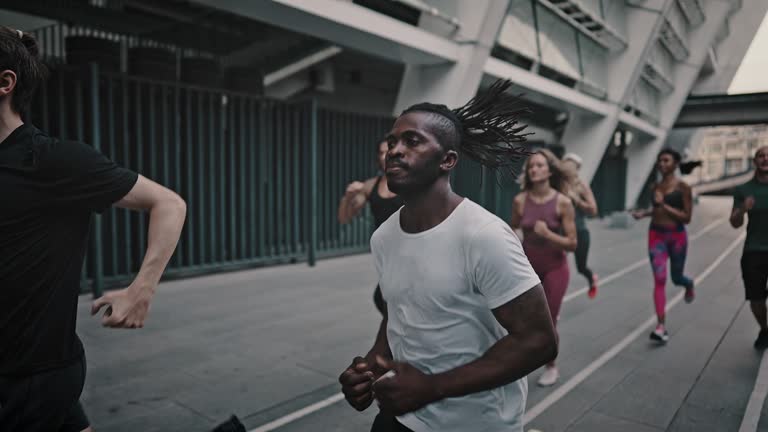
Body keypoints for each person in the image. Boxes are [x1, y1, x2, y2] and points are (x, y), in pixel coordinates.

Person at [338, 80, 557, 432]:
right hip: (400, 418)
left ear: (448, 160)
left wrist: (432, 387)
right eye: (392, 141)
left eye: (412, 141)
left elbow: (539, 341)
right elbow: (399, 310)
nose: (394, 150)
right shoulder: (383, 238)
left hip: (476, 424)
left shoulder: (484, 236)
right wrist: (371, 366)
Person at [0, 28, 187, 431]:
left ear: (5, 83)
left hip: (30, 384)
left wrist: (142, 289)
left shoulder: (52, 160)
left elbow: (169, 204)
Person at [511, 149, 577, 387]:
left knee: (548, 321)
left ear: (550, 170)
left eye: (539, 165)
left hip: (555, 268)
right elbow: (514, 230)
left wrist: (548, 234)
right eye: (531, 166)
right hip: (527, 269)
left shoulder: (563, 202)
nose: (534, 169)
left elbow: (572, 243)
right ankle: (525, 359)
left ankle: (551, 365)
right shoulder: (520, 200)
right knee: (523, 320)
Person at [631, 149, 698, 344]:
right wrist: (644, 214)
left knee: (676, 278)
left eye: (666, 160)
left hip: (677, 237)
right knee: (659, 279)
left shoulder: (684, 187)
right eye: (659, 160)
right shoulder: (655, 186)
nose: (661, 164)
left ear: (676, 164)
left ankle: (688, 284)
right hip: (656, 236)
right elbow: (656, 210)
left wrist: (664, 205)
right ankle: (661, 327)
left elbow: (687, 218)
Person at [338, 139, 404, 314]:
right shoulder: (370, 186)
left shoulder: (411, 184)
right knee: (386, 300)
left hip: (411, 251)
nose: (386, 155)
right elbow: (345, 218)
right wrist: (348, 197)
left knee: (386, 299)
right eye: (382, 152)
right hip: (386, 256)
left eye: (390, 150)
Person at [730, 146, 768, 350]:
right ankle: (765, 328)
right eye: (761, 156)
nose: (765, 159)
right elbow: (734, 223)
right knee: (756, 299)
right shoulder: (743, 190)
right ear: (755, 161)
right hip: (754, 251)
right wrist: (743, 209)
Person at [561, 152, 599, 299]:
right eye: (566, 165)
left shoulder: (582, 186)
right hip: (560, 232)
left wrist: (576, 199)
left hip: (580, 232)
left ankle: (591, 278)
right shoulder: (558, 184)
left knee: (581, 267)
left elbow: (594, 210)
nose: (569, 169)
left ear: (577, 169)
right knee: (557, 265)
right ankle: (555, 295)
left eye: (572, 166)